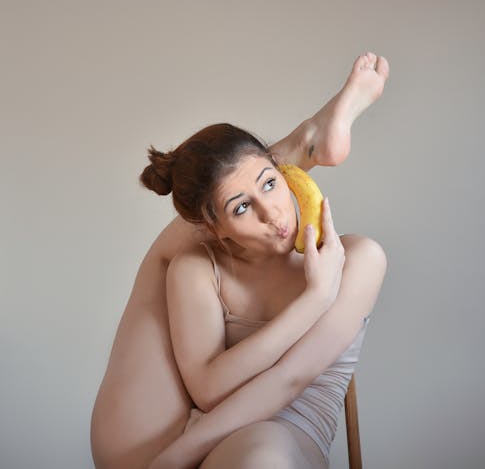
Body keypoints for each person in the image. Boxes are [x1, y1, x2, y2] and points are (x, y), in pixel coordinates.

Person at [91, 52, 390, 469]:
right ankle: (308, 138)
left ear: (286, 174)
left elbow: (291, 378)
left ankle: (308, 139)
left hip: (284, 434)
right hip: (205, 429)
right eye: (241, 208)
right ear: (214, 229)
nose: (272, 214)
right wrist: (315, 299)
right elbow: (209, 392)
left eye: (270, 183)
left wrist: (175, 459)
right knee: (164, 261)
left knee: (260, 458)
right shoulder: (194, 266)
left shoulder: (360, 258)